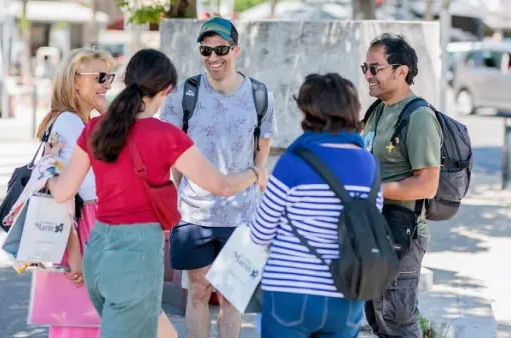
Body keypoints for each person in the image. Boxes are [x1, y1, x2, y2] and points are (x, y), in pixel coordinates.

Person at [43, 48, 267, 338]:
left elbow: (62, 192)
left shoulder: (98, 128)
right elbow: (220, 186)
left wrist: (49, 171)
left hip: (97, 249)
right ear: (167, 90)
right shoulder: (166, 136)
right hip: (136, 252)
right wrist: (255, 174)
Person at [160, 16, 277, 338]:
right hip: (194, 213)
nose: (213, 58)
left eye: (220, 49)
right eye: (205, 50)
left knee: (231, 296)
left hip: (242, 215)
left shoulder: (259, 95)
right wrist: (179, 191)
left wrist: (254, 180)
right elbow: (172, 151)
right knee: (197, 291)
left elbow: (262, 149)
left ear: (236, 50)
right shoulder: (185, 93)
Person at [248, 73, 380, 337]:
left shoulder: (293, 162)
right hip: (347, 292)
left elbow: (260, 233)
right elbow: (370, 226)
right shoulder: (370, 165)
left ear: (310, 113)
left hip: (289, 291)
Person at [361, 33, 442, 338]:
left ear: (401, 71)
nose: (368, 75)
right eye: (365, 68)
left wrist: (373, 190)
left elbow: (427, 184)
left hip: (402, 234)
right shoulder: (376, 112)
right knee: (377, 318)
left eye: (375, 68)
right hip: (372, 229)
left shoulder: (418, 116)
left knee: (398, 321)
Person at [34, 46, 117, 338]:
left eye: (111, 77)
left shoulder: (78, 121)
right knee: (82, 319)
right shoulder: (69, 123)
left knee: (81, 319)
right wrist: (73, 253)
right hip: (83, 224)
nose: (107, 84)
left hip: (88, 221)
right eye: (100, 77)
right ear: (74, 81)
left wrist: (106, 108)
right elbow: (61, 190)